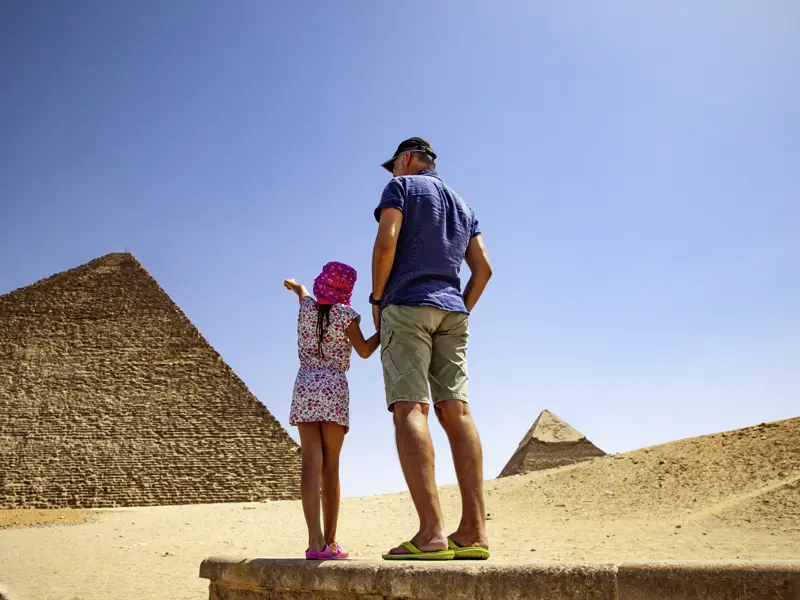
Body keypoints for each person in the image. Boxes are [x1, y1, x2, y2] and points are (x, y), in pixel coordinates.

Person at [371, 138, 493, 561]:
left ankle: (431, 533)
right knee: (457, 410)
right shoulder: (463, 204)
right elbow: (484, 269)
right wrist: (460, 308)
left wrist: (376, 300)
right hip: (452, 311)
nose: (393, 173)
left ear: (405, 160)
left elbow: (387, 241)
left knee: (411, 408)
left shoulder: (401, 188)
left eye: (394, 166)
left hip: (406, 304)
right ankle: (474, 531)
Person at [284, 262, 380, 560]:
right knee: (331, 466)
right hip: (333, 389)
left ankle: (315, 543)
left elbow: (302, 293)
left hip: (305, 386)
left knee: (310, 463)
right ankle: (332, 541)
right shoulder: (344, 314)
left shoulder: (306, 308)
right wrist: (384, 329)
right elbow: (363, 350)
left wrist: (295, 285)